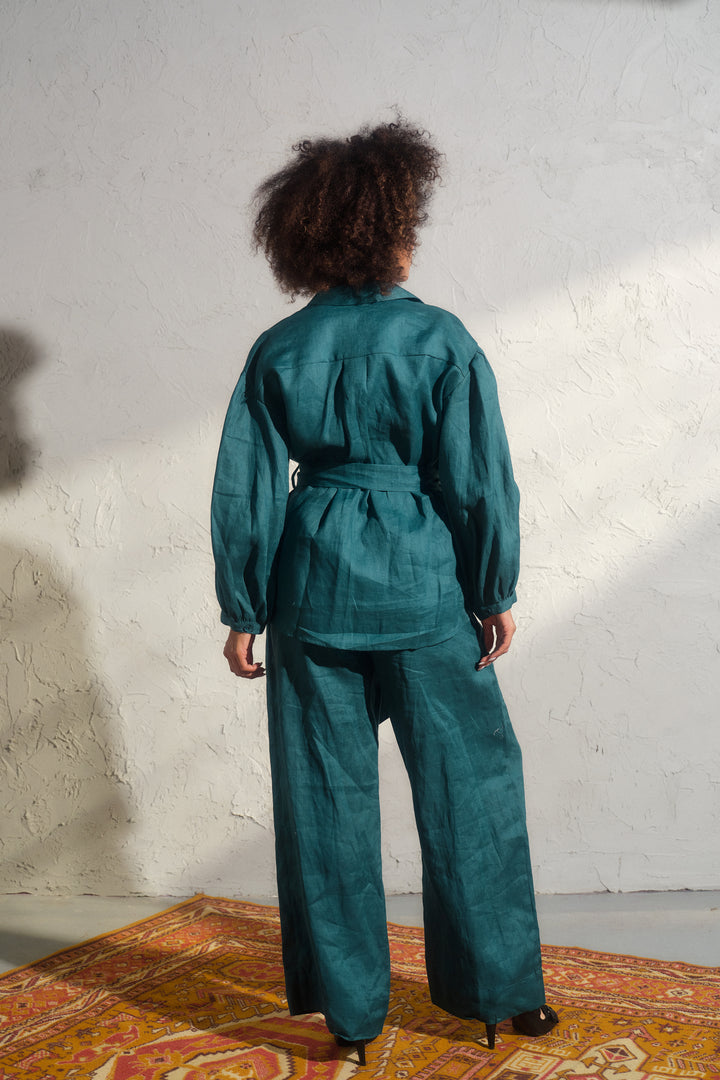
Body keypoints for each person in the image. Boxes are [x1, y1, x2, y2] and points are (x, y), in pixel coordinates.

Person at [211, 120, 558, 1065]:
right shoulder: (441, 339)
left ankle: (350, 1013)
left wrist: (243, 609)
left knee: (323, 800)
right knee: (471, 787)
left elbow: (245, 486)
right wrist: (492, 588)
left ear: (311, 240)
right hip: (424, 593)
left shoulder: (280, 348)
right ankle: (501, 996)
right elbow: (479, 481)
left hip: (310, 594)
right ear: (391, 232)